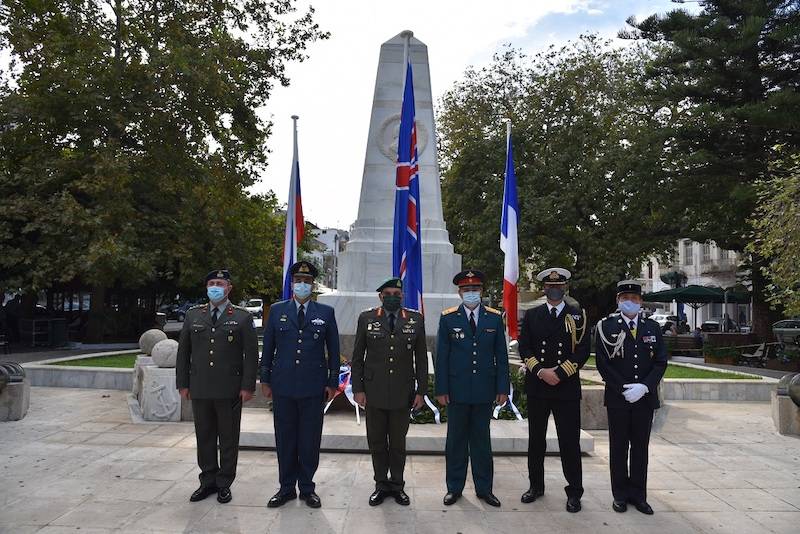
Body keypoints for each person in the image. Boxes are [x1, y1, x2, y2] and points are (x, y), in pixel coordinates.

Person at [260, 260, 340, 509]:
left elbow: (334, 352)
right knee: (285, 438)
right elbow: (269, 347)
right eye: (298, 281)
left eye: (307, 281)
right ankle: (286, 488)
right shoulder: (277, 310)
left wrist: (332, 382)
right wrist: (265, 378)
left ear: (312, 285)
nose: (302, 285)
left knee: (309, 439)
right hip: (283, 385)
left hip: (313, 386)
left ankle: (307, 487)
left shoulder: (325, 313)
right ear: (292, 283)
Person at [176, 269, 258, 504]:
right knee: (204, 436)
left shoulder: (241, 317)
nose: (215, 287)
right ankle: (207, 481)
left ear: (229, 288)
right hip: (200, 387)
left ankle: (224, 483)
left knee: (229, 438)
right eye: (211, 283)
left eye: (219, 283)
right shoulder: (193, 315)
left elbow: (250, 355)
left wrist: (247, 386)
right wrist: (182, 383)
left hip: (229, 389)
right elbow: (183, 352)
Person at [434, 270, 509, 507]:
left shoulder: (495, 318)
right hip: (456, 391)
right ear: (459, 292)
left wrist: (502, 388)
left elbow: (502, 356)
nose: (471, 293)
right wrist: (441, 389)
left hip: (484, 391)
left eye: (475, 289)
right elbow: (442, 357)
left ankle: (484, 489)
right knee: (455, 441)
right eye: (467, 290)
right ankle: (454, 488)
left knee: (481, 442)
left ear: (482, 292)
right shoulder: (448, 319)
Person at [517, 267, 589, 513]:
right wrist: (540, 371)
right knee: (536, 441)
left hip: (565, 388)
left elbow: (582, 351)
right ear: (544, 288)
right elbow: (524, 348)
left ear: (565, 288)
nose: (554, 289)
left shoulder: (577, 315)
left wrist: (559, 373)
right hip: (538, 387)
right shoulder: (532, 315)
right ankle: (535, 486)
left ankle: (574, 492)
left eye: (558, 286)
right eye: (549, 286)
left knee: (569, 442)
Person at [350, 277, 427, 506]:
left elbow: (421, 359)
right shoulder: (367, 318)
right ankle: (381, 485)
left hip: (403, 393)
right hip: (374, 392)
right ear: (380, 297)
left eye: (397, 293)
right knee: (376, 442)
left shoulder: (415, 319)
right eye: (388, 293)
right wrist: (358, 389)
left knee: (397, 444)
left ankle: (398, 485)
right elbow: (357, 358)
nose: (393, 296)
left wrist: (421, 391)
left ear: (402, 296)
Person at [595, 280, 668, 515]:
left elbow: (660, 361)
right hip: (618, 398)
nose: (630, 302)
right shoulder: (606, 327)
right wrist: (624, 388)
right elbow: (602, 363)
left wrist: (644, 387)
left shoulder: (652, 328)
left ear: (641, 302)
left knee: (640, 448)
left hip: (644, 399)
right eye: (625, 298)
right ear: (618, 300)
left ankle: (639, 495)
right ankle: (620, 495)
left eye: (634, 299)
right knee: (618, 448)